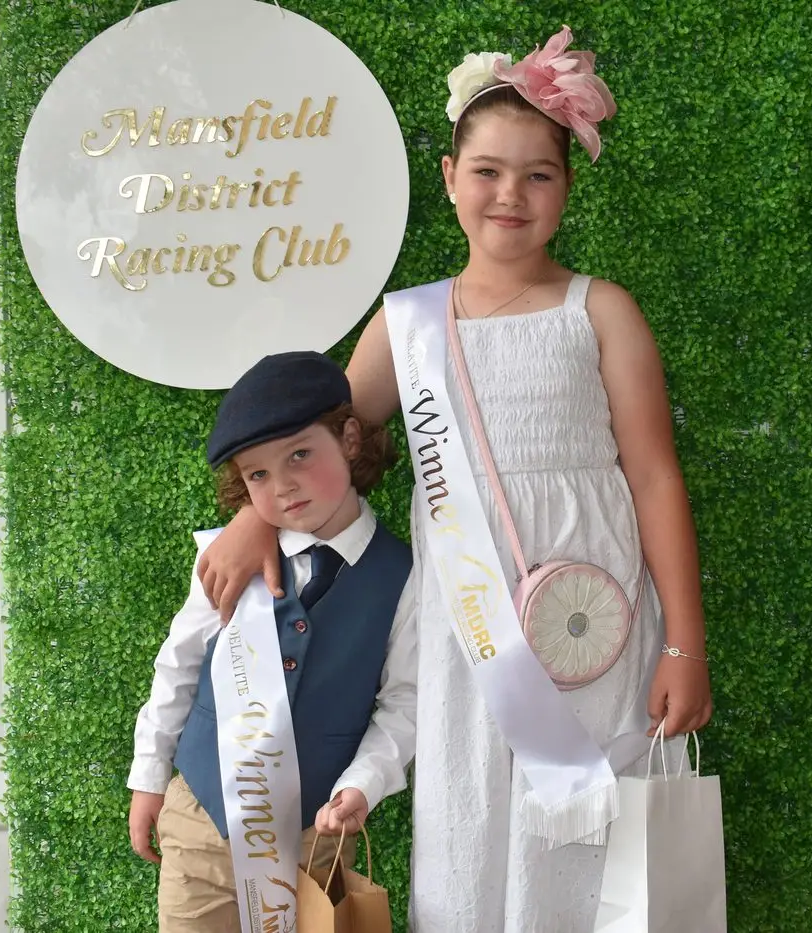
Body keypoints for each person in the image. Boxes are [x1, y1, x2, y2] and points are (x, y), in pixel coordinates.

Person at [196, 27, 713, 932]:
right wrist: (251, 520)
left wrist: (684, 644)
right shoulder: (408, 326)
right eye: (485, 171)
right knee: (471, 824)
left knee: (588, 829)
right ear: (447, 176)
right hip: (466, 633)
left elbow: (655, 477)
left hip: (596, 620)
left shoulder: (602, 311)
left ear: (566, 187)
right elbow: (315, 450)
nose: (508, 195)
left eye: (537, 174)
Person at [126, 351, 417, 932]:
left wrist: (364, 784)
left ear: (350, 439)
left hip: (317, 837)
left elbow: (405, 703)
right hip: (200, 821)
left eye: (300, 455)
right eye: (257, 474)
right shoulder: (228, 560)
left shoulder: (402, 575)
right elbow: (178, 664)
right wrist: (148, 776)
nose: (283, 487)